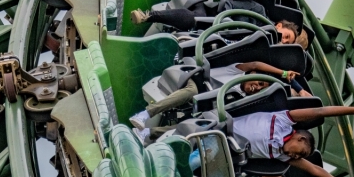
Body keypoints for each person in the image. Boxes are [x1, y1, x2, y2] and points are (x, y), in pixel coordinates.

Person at [129, 61, 303, 130]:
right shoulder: (236, 71)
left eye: (260, 88)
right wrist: (283, 73)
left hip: (204, 107)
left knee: (199, 125)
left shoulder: (241, 98)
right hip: (195, 83)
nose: (255, 87)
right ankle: (145, 113)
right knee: (192, 92)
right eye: (258, 82)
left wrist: (299, 91)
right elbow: (256, 63)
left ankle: (149, 133)